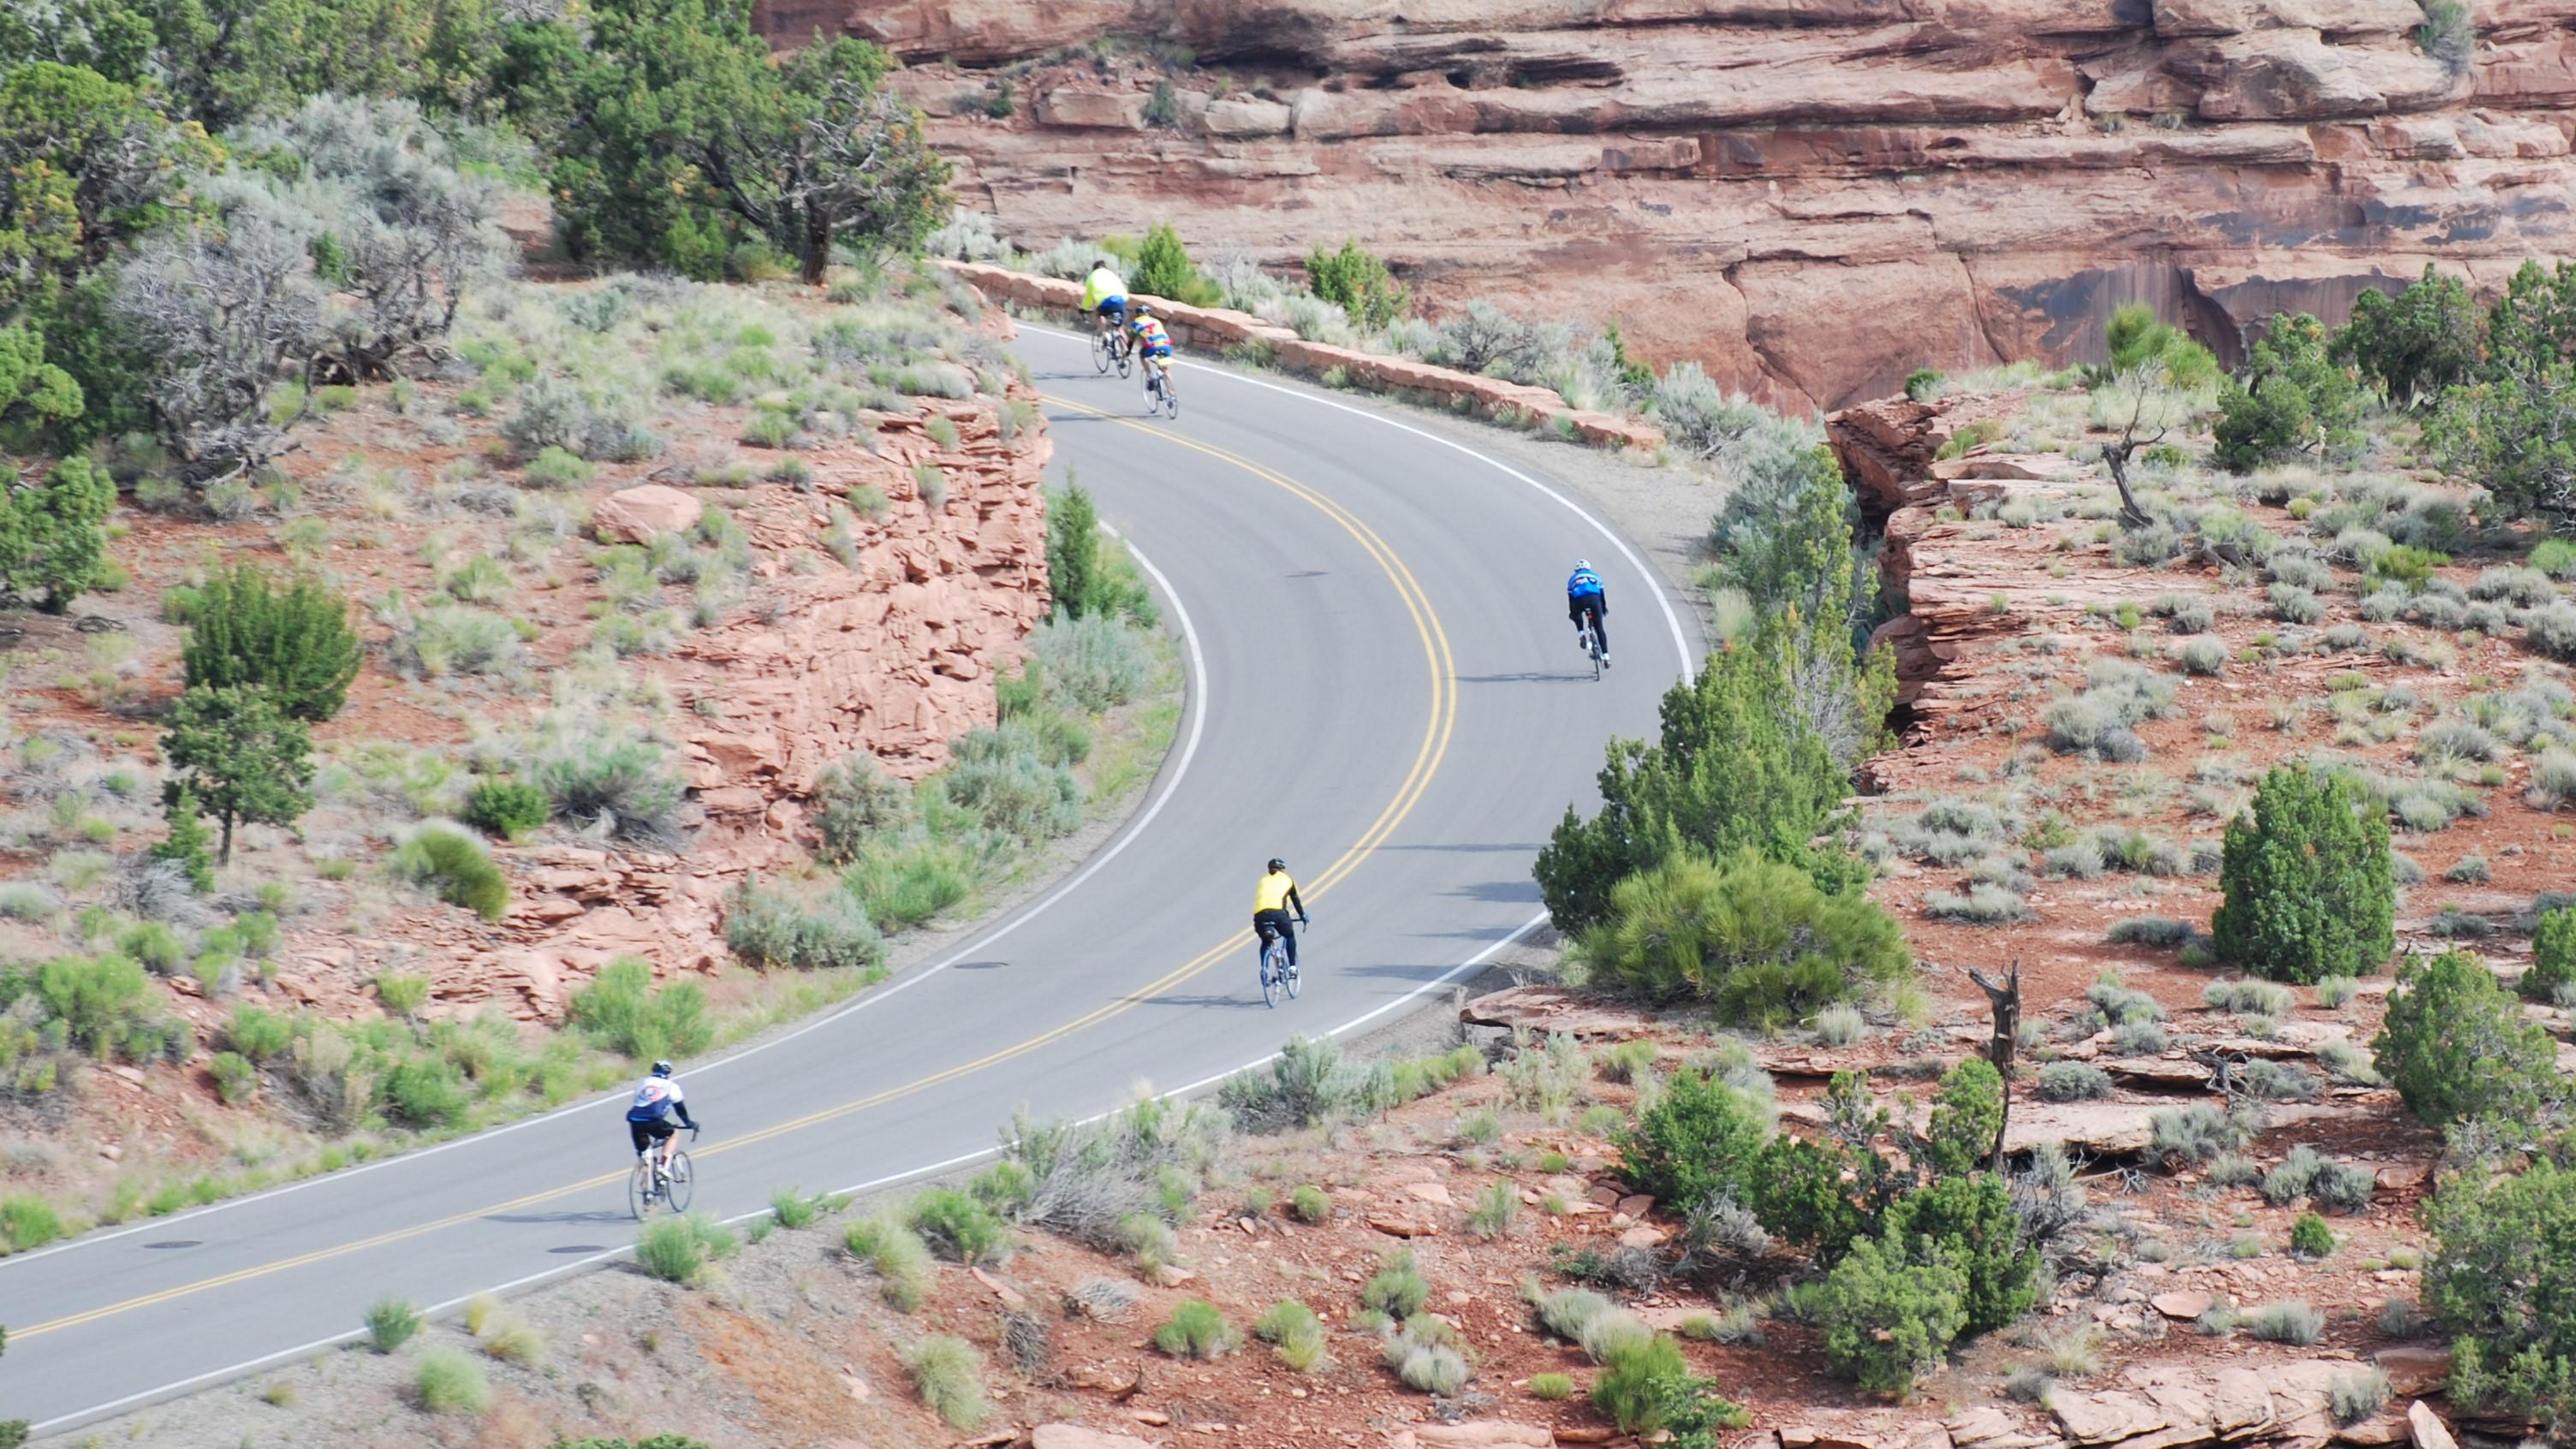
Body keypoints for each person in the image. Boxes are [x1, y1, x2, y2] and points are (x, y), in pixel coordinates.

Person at [625, 1060, 698, 1181]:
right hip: (654, 1121)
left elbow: (641, 1102)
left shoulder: (642, 1083)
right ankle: (663, 1166)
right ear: (668, 1072)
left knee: (645, 1155)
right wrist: (689, 1123)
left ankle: (646, 1193)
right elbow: (680, 1109)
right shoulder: (671, 1086)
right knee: (674, 1133)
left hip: (635, 1122)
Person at [1252, 857, 1309, 981]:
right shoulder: (1288, 879)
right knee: (1289, 936)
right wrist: (1303, 915)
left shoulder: (1262, 880)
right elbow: (1295, 899)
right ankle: (1292, 968)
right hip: (1278, 914)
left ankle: (1264, 969)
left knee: (1266, 942)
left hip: (1259, 916)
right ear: (1282, 869)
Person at [1567, 559, 1609, 665]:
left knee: (1576, 615)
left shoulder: (1572, 579)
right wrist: (1603, 608)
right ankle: (1606, 656)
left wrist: (1573, 613)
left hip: (1579, 600)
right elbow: (1602, 595)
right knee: (1599, 628)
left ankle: (1581, 634)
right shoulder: (1596, 576)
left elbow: (1571, 599)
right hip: (1595, 599)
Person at [1080, 258, 1129, 343]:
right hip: (1121, 300)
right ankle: (1125, 350)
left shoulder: (1092, 277)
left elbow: (1088, 297)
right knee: (1120, 328)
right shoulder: (1112, 274)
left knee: (1098, 314)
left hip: (1106, 301)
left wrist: (1084, 308)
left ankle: (1104, 334)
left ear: (1094, 269)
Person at [1129, 303, 1175, 395]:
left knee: (1142, 355)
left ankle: (1150, 376)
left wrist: (1128, 351)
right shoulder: (1156, 321)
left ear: (1137, 314)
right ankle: (1171, 391)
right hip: (1166, 345)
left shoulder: (1135, 324)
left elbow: (1131, 340)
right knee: (1165, 368)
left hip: (1152, 347)